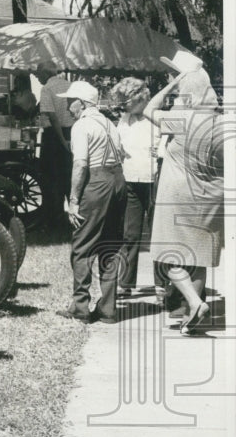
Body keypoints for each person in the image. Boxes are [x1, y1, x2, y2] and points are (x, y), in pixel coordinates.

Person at [143, 52, 223, 335]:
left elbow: (148, 110)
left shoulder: (182, 119)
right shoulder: (221, 124)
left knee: (168, 256)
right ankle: (194, 312)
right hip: (211, 197)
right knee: (199, 256)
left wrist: (169, 86)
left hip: (177, 195)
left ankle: (193, 301)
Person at [54, 80, 127, 324]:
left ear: (83, 103)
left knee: (82, 245)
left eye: (70, 100)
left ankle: (80, 307)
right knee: (111, 245)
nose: (67, 104)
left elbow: (81, 163)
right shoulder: (109, 123)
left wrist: (74, 200)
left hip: (97, 181)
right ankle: (108, 308)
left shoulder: (82, 125)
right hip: (118, 180)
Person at [108, 77, 157, 296]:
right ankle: (127, 283)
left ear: (139, 97)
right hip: (131, 179)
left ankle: (163, 285)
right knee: (130, 234)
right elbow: (119, 144)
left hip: (154, 180)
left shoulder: (156, 116)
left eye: (125, 101)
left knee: (158, 233)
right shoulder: (125, 119)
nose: (123, 106)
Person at [35, 66, 74, 226]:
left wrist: (61, 140)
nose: (37, 79)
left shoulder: (46, 88)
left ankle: (54, 215)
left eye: (38, 75)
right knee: (70, 174)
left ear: (45, 74)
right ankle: (71, 212)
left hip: (54, 135)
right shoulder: (68, 84)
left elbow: (52, 116)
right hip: (71, 131)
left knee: (51, 176)